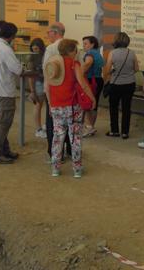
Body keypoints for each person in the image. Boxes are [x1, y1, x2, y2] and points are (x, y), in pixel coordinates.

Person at [44, 38, 96, 178]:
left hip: (56, 105)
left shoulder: (52, 63)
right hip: (73, 107)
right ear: (71, 51)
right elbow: (83, 84)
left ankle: (55, 168)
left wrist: (50, 104)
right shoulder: (74, 64)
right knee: (75, 137)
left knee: (57, 136)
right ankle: (77, 169)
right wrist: (92, 98)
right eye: (75, 50)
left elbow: (47, 87)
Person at [0, 22, 24, 164]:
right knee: (4, 124)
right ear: (12, 36)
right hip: (5, 92)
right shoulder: (5, 49)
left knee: (2, 122)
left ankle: (5, 150)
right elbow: (17, 69)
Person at [102, 31, 139, 138]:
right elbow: (136, 68)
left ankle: (114, 130)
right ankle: (125, 132)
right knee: (126, 108)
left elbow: (107, 70)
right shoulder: (131, 53)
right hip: (129, 84)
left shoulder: (112, 53)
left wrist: (114, 71)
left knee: (113, 107)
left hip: (116, 84)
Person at [42, 23, 66, 160]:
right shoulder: (72, 46)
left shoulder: (51, 48)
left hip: (54, 88)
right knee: (67, 120)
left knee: (52, 120)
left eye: (48, 32)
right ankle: (67, 149)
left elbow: (46, 70)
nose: (47, 34)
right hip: (68, 89)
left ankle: (55, 152)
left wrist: (47, 90)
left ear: (55, 33)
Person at [81, 35, 105, 137]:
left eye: (86, 44)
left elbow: (88, 63)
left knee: (86, 103)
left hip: (91, 80)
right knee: (94, 104)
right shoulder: (98, 54)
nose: (84, 46)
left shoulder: (90, 53)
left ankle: (89, 126)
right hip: (99, 79)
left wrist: (79, 72)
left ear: (92, 44)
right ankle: (91, 126)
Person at [27, 38, 47, 138]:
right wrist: (32, 91)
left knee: (50, 105)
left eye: (37, 49)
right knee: (38, 105)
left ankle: (47, 125)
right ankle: (38, 128)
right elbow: (30, 76)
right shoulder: (31, 58)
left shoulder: (46, 54)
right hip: (38, 82)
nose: (35, 51)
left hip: (47, 82)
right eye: (33, 49)